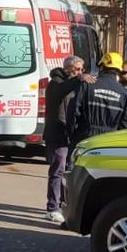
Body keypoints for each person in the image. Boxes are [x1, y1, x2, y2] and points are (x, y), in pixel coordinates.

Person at [42, 55, 84, 225]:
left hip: (69, 135)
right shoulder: (56, 83)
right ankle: (52, 208)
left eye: (82, 69)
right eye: (78, 69)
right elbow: (62, 90)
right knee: (57, 170)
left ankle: (61, 203)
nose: (81, 72)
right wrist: (79, 80)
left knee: (67, 172)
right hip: (57, 135)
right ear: (69, 69)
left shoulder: (71, 84)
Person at [68, 51, 127, 146]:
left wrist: (72, 135)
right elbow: (125, 124)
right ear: (119, 70)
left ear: (101, 67)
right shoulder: (124, 94)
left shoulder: (87, 85)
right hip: (109, 143)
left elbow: (73, 113)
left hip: (85, 139)